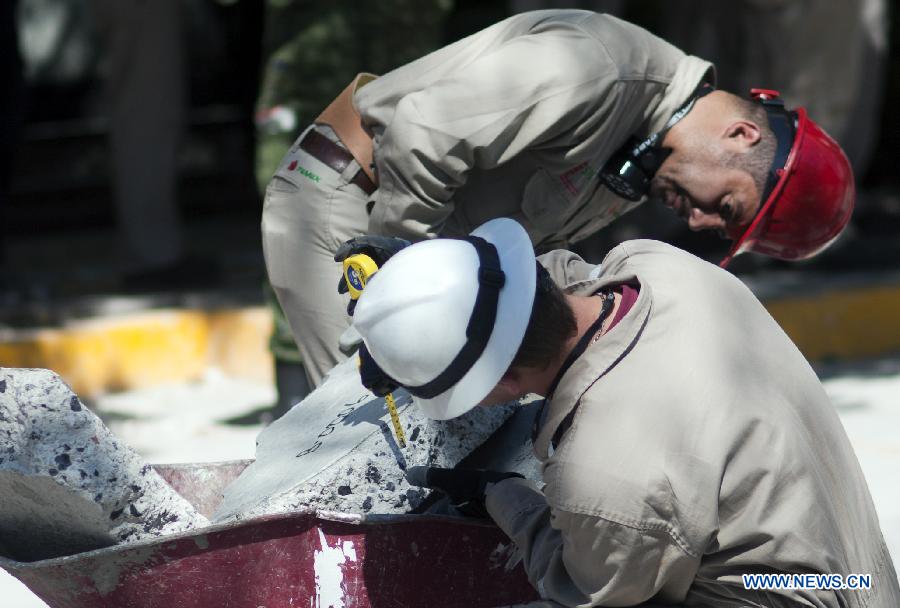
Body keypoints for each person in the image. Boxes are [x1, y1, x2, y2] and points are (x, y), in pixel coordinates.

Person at [261, 9, 855, 389]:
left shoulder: (653, 151)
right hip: (344, 203)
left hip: (412, 237)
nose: (698, 219)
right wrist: (403, 273)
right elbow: (423, 129)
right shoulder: (604, 70)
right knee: (364, 431)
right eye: (725, 207)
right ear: (742, 136)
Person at [349, 217, 899, 608]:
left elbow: (584, 587)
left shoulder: (605, 474)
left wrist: (501, 495)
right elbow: (556, 276)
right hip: (861, 571)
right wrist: (429, 275)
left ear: (504, 381)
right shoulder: (661, 265)